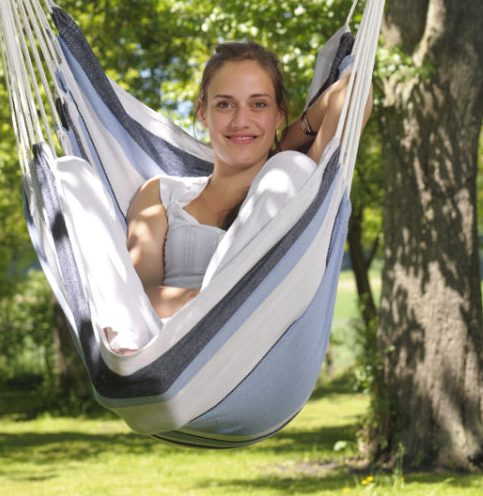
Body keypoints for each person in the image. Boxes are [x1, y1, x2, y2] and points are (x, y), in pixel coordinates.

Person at [125, 40, 372, 319]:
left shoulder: (295, 185)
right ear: (203, 113)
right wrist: (236, 301)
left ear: (279, 115)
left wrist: (288, 141)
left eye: (258, 104)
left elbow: (354, 91)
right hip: (176, 354)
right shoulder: (161, 194)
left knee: (290, 164)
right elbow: (135, 297)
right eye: (225, 104)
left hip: (255, 352)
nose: (241, 120)